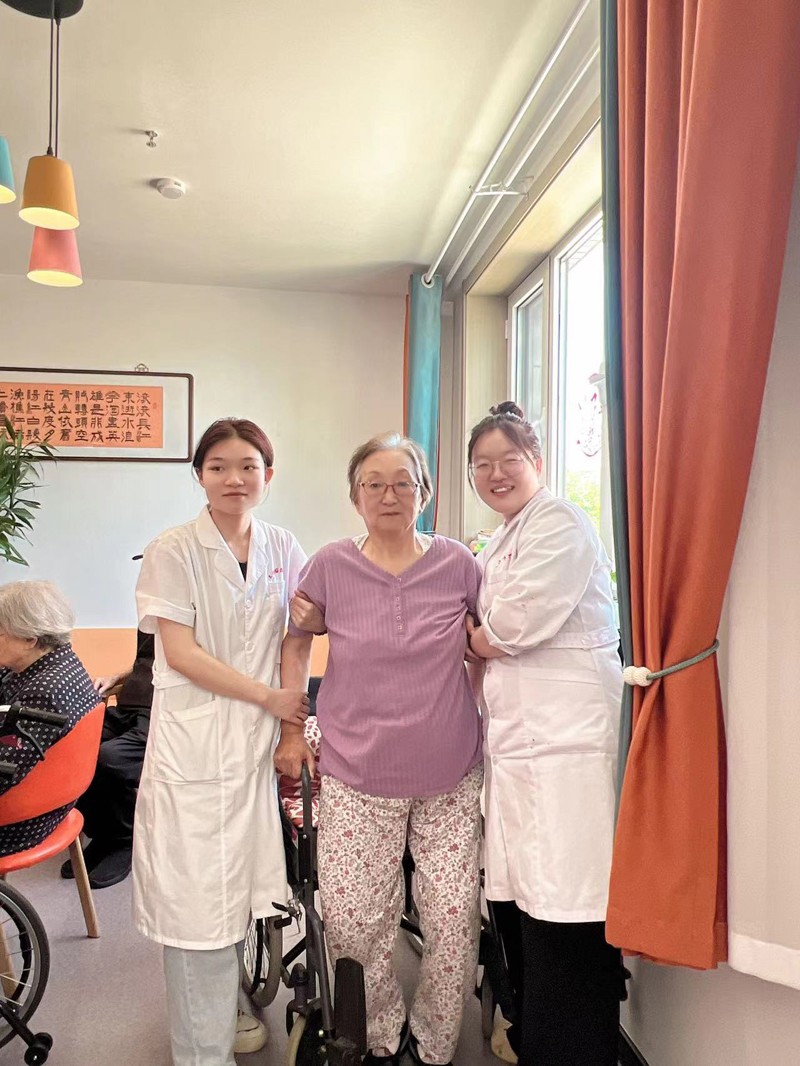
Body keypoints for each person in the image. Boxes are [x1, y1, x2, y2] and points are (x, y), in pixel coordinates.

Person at [280, 432, 483, 1066]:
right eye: (374, 483)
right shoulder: (330, 566)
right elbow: (296, 643)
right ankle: (379, 1031)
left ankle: (435, 1042)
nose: (389, 495)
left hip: (450, 774)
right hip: (355, 771)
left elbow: (485, 644)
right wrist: (292, 730)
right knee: (350, 918)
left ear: (426, 493)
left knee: (452, 918)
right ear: (356, 495)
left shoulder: (459, 564)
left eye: (403, 483)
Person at [132, 417, 310, 1066]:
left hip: (254, 749)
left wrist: (289, 727)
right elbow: (180, 654)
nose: (234, 479)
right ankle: (201, 1055)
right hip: (196, 748)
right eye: (218, 467)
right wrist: (268, 699)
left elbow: (296, 640)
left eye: (248, 466)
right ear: (200, 477)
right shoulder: (173, 549)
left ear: (268, 474)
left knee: (241, 900)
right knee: (196, 913)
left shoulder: (284, 546)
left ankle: (231, 1013)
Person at [466, 402, 625, 1066]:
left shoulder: (560, 522)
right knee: (527, 904)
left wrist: (477, 638)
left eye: (509, 459)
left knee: (569, 905)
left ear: (537, 460)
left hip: (567, 747)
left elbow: (510, 626)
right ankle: (537, 1037)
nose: (496, 473)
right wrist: (480, 638)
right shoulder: (502, 538)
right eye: (483, 465)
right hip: (522, 749)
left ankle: (576, 1049)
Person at [0, 580, 98, 856]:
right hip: (51, 799)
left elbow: (3, 772)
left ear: (29, 639)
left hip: (21, 818)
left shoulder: (45, 692)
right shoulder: (55, 661)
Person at [60, 628, 155, 889]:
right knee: (73, 745)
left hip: (162, 714)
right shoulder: (151, 618)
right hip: (128, 707)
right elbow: (146, 662)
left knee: (109, 759)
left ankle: (124, 838)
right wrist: (117, 676)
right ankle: (105, 835)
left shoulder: (194, 615)